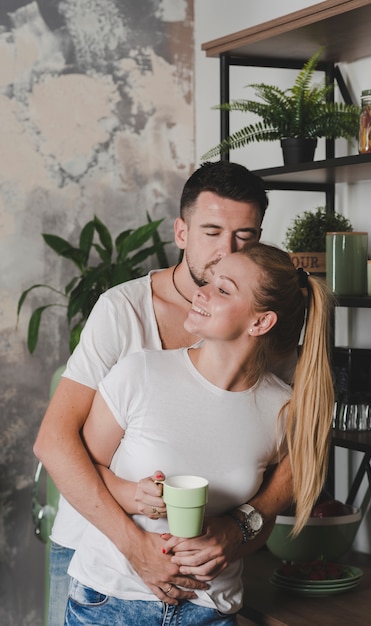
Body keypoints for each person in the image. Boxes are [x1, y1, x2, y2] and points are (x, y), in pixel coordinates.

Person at [33, 161, 296, 626]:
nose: (225, 251)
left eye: (245, 236)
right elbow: (55, 441)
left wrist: (237, 529)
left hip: (203, 592)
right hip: (99, 550)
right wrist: (136, 545)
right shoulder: (123, 311)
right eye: (212, 231)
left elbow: (290, 461)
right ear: (181, 231)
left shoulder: (258, 330)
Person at [64, 242, 334, 625]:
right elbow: (84, 471)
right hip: (109, 601)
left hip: (210, 610)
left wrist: (234, 538)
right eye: (207, 281)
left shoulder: (283, 409)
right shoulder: (139, 373)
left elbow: (263, 518)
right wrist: (132, 495)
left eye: (223, 289)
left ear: (260, 322)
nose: (200, 292)